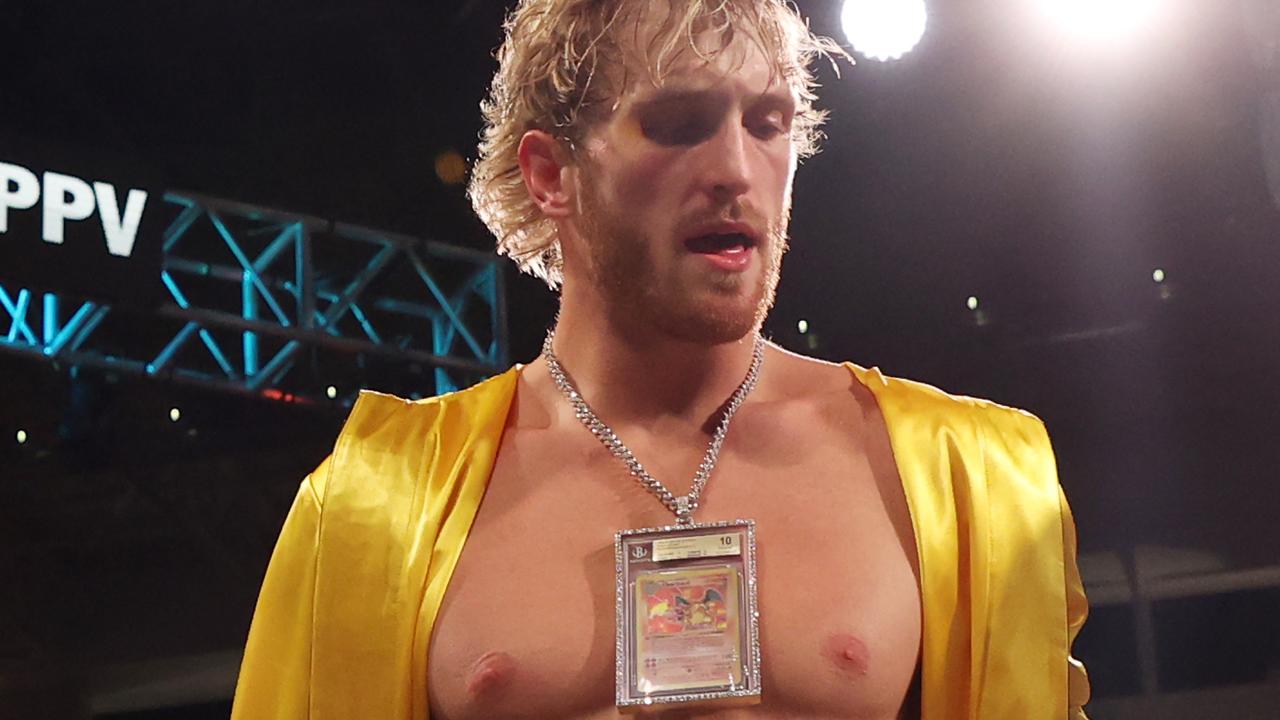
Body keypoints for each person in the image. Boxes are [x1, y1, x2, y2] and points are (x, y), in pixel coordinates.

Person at [231, 1, 1091, 718]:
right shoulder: (374, 503)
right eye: (678, 125)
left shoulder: (965, 478)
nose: (735, 169)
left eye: (767, 124)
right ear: (550, 174)